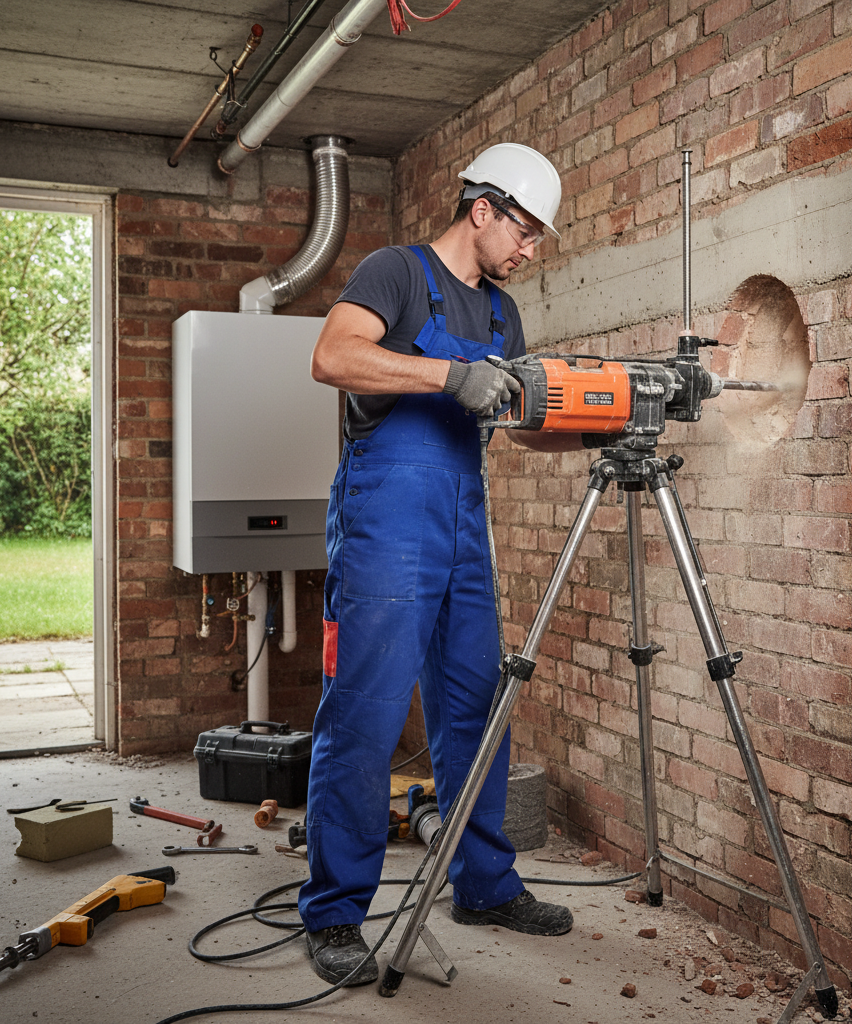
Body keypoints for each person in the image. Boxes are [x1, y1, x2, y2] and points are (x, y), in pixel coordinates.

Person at [300, 143, 581, 986]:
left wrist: (591, 406)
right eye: (525, 231)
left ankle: (485, 885)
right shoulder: (397, 271)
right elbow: (334, 358)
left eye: (539, 239)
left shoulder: (503, 316)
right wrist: (449, 375)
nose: (530, 251)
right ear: (483, 208)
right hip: (387, 517)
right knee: (368, 712)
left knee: (476, 708)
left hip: (462, 523)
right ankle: (336, 912)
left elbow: (524, 423)